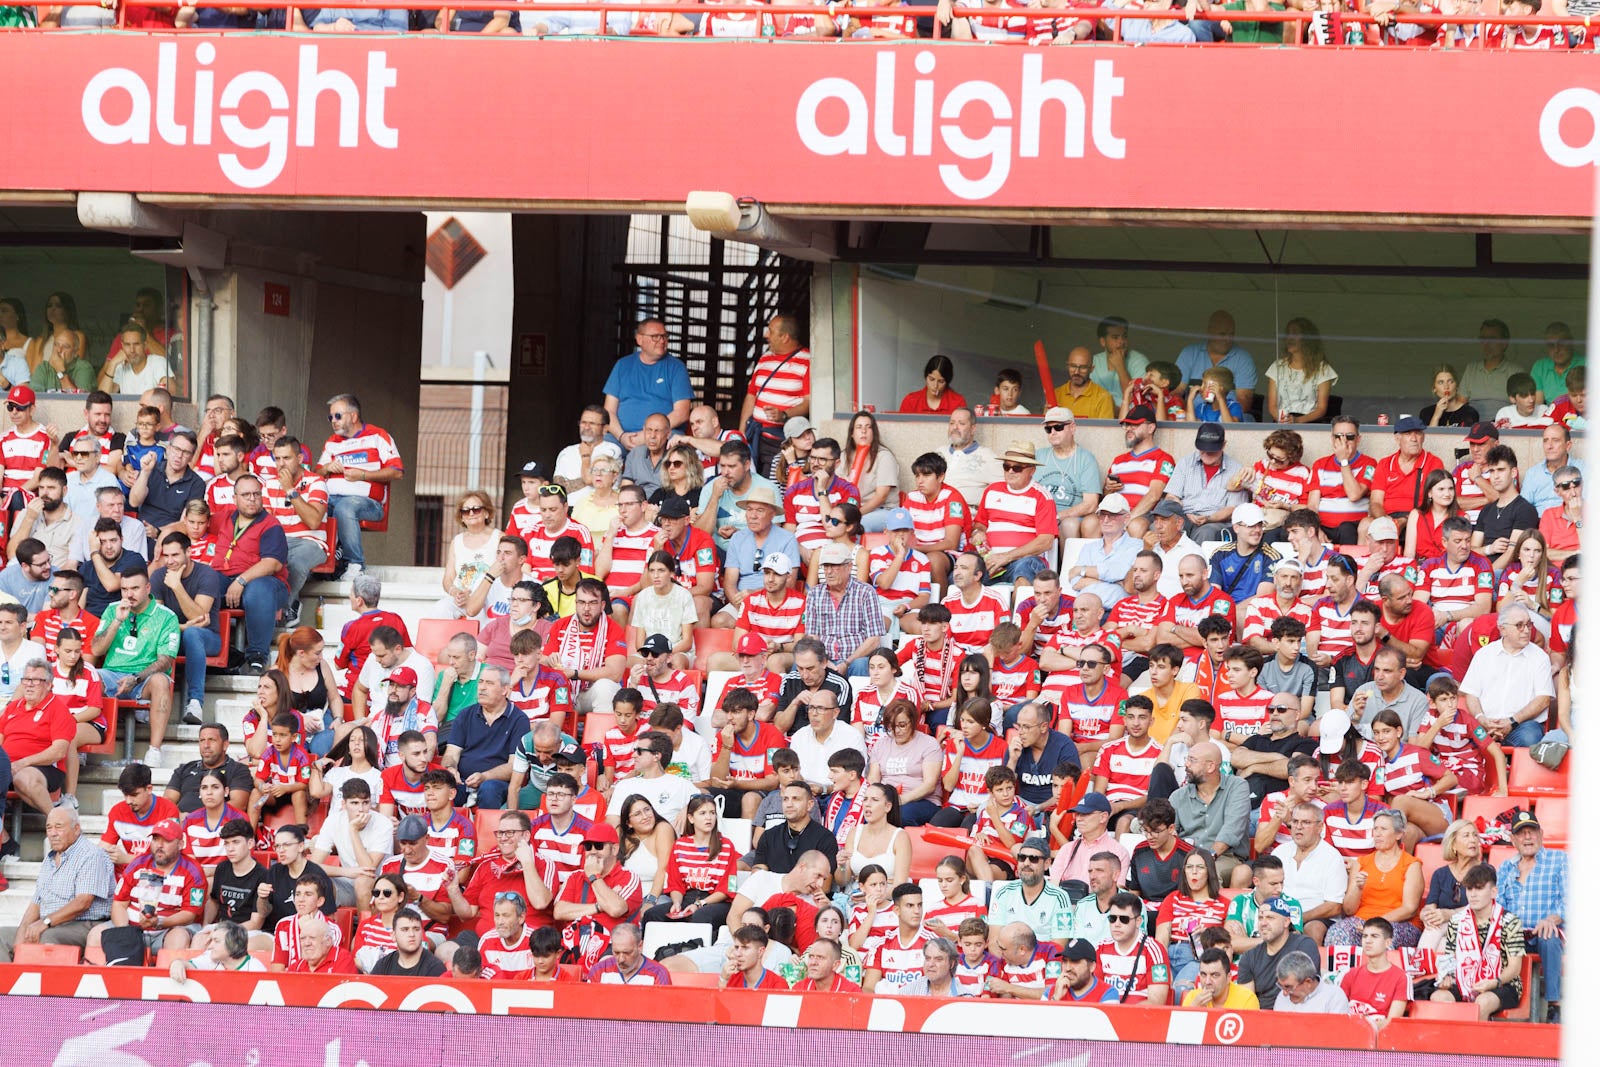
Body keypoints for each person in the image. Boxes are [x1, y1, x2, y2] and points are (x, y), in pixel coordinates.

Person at [90, 564, 180, 768]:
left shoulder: (166, 616)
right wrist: (116, 621)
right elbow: (96, 650)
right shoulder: (113, 609)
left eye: (135, 589)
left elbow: (166, 660)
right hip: (112, 674)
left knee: (160, 681)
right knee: (90, 676)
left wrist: (136, 678)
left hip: (145, 679)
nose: (129, 594)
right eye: (124, 589)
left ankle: (154, 751)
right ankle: (86, 745)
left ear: (148, 588)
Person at [0, 805, 114, 961]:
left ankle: (38, 984)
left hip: (85, 924)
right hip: (51, 924)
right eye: (49, 827)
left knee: (44, 937)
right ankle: (8, 983)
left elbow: (83, 902)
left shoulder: (91, 855)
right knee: (2, 937)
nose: (53, 833)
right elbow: (37, 902)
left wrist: (45, 922)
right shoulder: (50, 859)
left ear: (76, 829)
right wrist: (22, 931)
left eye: (58, 827)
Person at [86, 818, 203, 960]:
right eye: (155, 839)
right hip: (131, 927)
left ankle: (167, 980)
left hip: (168, 929)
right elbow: (119, 903)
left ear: (180, 844)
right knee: (96, 935)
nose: (159, 845)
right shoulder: (138, 863)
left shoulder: (193, 871)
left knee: (178, 938)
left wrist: (159, 922)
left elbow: (189, 914)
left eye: (166, 840)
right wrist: (126, 933)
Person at [318, 393, 404, 579]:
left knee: (344, 507)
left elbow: (397, 471)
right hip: (331, 499)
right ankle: (320, 561)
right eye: (330, 417)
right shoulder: (332, 442)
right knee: (313, 506)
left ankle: (355, 564)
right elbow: (315, 475)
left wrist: (363, 475)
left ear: (354, 416)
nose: (333, 421)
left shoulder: (377, 436)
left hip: (368, 503)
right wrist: (326, 468)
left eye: (338, 416)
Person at [210, 475, 288, 674]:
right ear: (234, 498)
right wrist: (162, 535)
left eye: (256, 494)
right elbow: (190, 522)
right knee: (202, 583)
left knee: (258, 589)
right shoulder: (224, 518)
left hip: (266, 584)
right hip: (224, 578)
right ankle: (215, 652)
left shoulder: (271, 525)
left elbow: (273, 563)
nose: (252, 499)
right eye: (246, 495)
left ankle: (257, 656)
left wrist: (241, 580)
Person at [1430, 863, 1524, 1020]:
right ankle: (1449, 1044)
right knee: (1439, 998)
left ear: (1493, 892)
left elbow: (1515, 967)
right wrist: (1446, 977)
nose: (1473, 894)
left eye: (1479, 889)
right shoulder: (1457, 921)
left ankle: (1474, 1044)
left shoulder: (1509, 921)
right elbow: (1450, 958)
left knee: (1481, 1002)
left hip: (1503, 984)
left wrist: (1494, 982)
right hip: (1464, 980)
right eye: (1469, 889)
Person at [1496, 812, 1565, 1022]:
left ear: (1541, 834)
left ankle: (1554, 1006)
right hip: (1517, 933)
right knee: (1494, 939)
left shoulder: (1559, 859)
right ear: (1513, 839)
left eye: (1532, 831)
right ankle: (1495, 1000)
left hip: (1549, 930)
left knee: (1548, 935)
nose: (1527, 837)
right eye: (1521, 833)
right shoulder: (1506, 868)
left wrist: (1553, 918)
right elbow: (1499, 906)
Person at [1460, 605, 1554, 748]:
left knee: (1530, 738)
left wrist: (1512, 721)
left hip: (1520, 726)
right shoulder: (1484, 654)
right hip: (1485, 723)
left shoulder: (1540, 657)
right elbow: (1471, 694)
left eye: (1529, 624)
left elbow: (1543, 699)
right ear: (1503, 629)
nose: (1527, 630)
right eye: (1519, 626)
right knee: (1459, 736)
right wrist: (1481, 719)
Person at [1326, 809, 1423, 948]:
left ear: (1399, 834)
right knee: (1337, 933)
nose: (1377, 834)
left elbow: (1409, 908)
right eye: (1375, 829)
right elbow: (1348, 910)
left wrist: (1375, 924)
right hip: (1361, 921)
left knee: (1381, 939)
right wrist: (1358, 889)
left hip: (1398, 923)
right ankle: (1345, 970)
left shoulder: (1411, 864)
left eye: (1383, 829)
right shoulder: (1361, 863)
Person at [541, 578, 627, 718]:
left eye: (592, 603)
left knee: (605, 687)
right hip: (562, 691)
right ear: (576, 603)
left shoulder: (614, 630)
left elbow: (615, 673)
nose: (586, 609)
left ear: (602, 605)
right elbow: (542, 661)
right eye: (581, 602)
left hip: (590, 695)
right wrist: (549, 660)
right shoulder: (560, 625)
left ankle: (600, 739)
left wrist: (575, 673)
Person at [1171, 742, 1250, 887]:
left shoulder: (1237, 787)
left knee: (1209, 873)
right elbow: (1169, 830)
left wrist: (1206, 859)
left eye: (1192, 760)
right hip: (1187, 857)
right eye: (1187, 759)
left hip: (1225, 857)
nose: (1187, 765)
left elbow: (1232, 829)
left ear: (1211, 766)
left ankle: (1207, 910)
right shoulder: (1178, 796)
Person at [604, 319, 693, 448]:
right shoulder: (622, 365)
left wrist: (646, 435)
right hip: (620, 437)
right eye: (655, 337)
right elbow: (609, 411)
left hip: (662, 436)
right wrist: (622, 436)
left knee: (666, 454)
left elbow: (682, 413)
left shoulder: (676, 368)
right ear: (640, 339)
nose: (662, 341)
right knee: (601, 454)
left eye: (664, 336)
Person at [1090, 407, 1173, 540]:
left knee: (1136, 526)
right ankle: (1093, 561)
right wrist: (1108, 488)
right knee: (1090, 523)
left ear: (1151, 428)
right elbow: (1106, 496)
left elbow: (1154, 495)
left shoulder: (1164, 459)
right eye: (1127, 425)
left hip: (1142, 515)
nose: (1129, 428)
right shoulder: (1118, 460)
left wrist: (1128, 518)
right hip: (1113, 511)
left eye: (1135, 424)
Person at [1271, 801, 1347, 945]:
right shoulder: (1280, 852)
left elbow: (1334, 906)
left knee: (1314, 929)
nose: (1299, 827)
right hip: (1279, 913)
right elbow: (1264, 889)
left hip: (1315, 916)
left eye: (1306, 822)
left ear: (1320, 827)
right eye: (1295, 821)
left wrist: (1299, 918)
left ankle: (1310, 967)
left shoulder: (1331, 856)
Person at [1234, 894, 1319, 1010]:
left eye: (1270, 918)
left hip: (1299, 1013)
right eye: (1260, 918)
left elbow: (1307, 991)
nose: (1263, 923)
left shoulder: (1304, 945)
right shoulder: (1249, 957)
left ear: (1286, 922)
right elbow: (1248, 1004)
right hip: (1262, 1019)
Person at [986, 837, 1072, 950]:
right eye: (1022, 858)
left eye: (1033, 859)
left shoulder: (1060, 898)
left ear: (1047, 864)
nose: (1026, 863)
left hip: (1042, 962)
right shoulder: (1004, 892)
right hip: (1007, 962)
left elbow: (1058, 946)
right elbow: (993, 942)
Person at [1033, 407, 1101, 541]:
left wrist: (1058, 516)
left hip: (1069, 517)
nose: (1052, 432)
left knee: (1069, 524)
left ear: (1072, 428)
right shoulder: (1038, 455)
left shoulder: (1085, 459)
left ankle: (1067, 563)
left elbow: (1091, 503)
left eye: (1058, 427)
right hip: (1038, 515)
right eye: (1048, 429)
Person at [1370, 416, 1445, 534]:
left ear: (1423, 437)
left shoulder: (1434, 463)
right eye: (1408, 434)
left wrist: (1405, 520)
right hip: (1387, 517)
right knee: (1365, 525)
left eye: (1418, 433)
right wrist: (1384, 521)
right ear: (1397, 438)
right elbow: (1375, 502)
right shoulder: (1385, 464)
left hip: (1419, 517)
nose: (1414, 439)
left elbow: (1436, 502)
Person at [1097, 890, 1172, 1004]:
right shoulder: (1100, 948)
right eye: (1112, 919)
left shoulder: (1154, 951)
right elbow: (1093, 994)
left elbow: (1156, 1002)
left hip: (1142, 1019)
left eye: (1124, 919)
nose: (1117, 924)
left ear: (1138, 922)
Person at [1177, 310, 1258, 412]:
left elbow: (1244, 401)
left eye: (1231, 334)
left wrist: (1219, 417)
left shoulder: (1244, 358)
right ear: (1209, 333)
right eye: (1222, 334)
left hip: (1229, 418)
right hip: (1194, 417)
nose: (1228, 339)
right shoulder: (1189, 353)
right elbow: (1176, 392)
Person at [1340, 917, 1411, 1030]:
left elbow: (1392, 1022)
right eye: (1365, 936)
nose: (1367, 941)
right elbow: (1339, 1014)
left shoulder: (1401, 978)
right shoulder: (1351, 974)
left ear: (1388, 942)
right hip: (1348, 1035)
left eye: (1374, 936)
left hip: (1380, 1040)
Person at [1264, 318, 1337, 423]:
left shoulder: (1323, 369)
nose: (1290, 338)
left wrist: (1297, 421)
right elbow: (1272, 406)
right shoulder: (1277, 367)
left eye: (1295, 333)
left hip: (1310, 425)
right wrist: (1283, 420)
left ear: (1307, 338)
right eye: (1288, 334)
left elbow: (1321, 409)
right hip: (1282, 424)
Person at [553, 406, 624, 494]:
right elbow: (558, 488)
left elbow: (589, 479)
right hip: (568, 506)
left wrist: (585, 457)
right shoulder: (566, 452)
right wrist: (590, 479)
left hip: (601, 506)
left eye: (592, 423)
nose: (586, 427)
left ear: (605, 428)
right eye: (583, 422)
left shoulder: (612, 450)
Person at [1460, 318, 1526, 407]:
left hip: (1504, 420)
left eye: (1492, 339)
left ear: (1504, 343)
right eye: (1483, 339)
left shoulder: (1516, 372)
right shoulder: (1471, 369)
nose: (1486, 343)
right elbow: (1460, 405)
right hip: (1473, 420)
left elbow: (1523, 408)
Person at [1273, 949, 1352, 1014]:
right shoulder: (1282, 997)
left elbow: (1337, 1031)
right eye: (1281, 986)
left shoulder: (1334, 997)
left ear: (1308, 982)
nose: (1284, 993)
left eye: (1288, 987)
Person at [1053, 346, 1115, 419]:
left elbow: (1105, 430)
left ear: (1091, 369)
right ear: (1067, 366)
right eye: (1073, 366)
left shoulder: (1103, 397)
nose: (1077, 372)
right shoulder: (1056, 394)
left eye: (1083, 367)